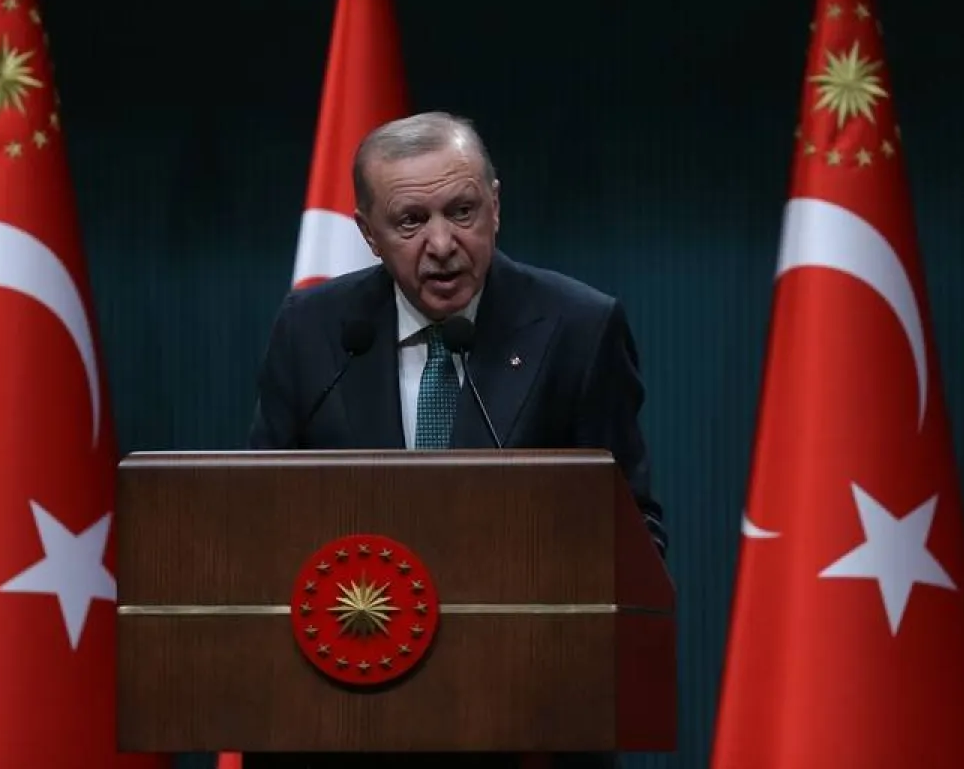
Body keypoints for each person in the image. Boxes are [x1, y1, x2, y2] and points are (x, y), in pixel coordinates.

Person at [245, 111, 667, 769]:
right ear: (369, 234)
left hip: (524, 728)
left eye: (462, 210)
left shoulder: (578, 327)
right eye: (411, 221)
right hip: (344, 720)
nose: (442, 243)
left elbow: (634, 534)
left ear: (495, 207)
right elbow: (257, 518)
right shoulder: (314, 330)